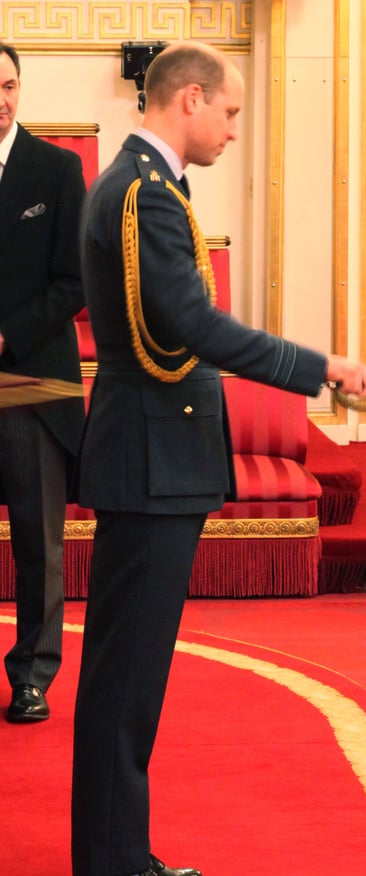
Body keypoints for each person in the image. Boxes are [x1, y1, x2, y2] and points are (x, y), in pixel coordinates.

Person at [70, 42, 366, 876]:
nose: (235, 131)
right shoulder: (141, 190)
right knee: (126, 675)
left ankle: (120, 849)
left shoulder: (151, 186)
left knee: (134, 673)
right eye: (233, 114)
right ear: (192, 98)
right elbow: (187, 327)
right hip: (148, 457)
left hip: (156, 455)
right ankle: (109, 867)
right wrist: (319, 365)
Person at [0, 41, 86, 724]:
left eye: (7, 85)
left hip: (32, 379)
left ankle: (32, 677)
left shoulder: (57, 170)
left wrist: (8, 335)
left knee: (39, 540)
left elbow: (75, 282)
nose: (0, 99)